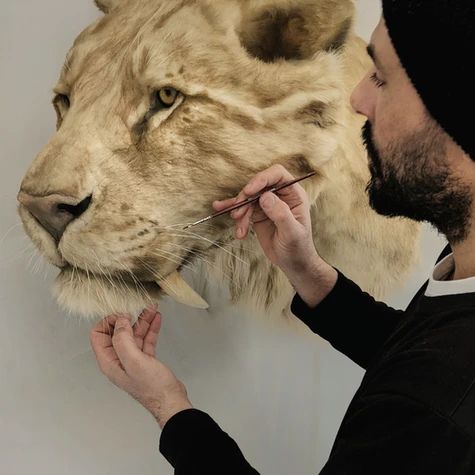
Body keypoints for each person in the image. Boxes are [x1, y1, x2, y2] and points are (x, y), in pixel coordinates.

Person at [90, 0, 475, 473]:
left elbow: (428, 383)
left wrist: (169, 407)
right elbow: (419, 352)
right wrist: (307, 271)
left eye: (381, 77)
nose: (357, 98)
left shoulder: (431, 418)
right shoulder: (464, 271)